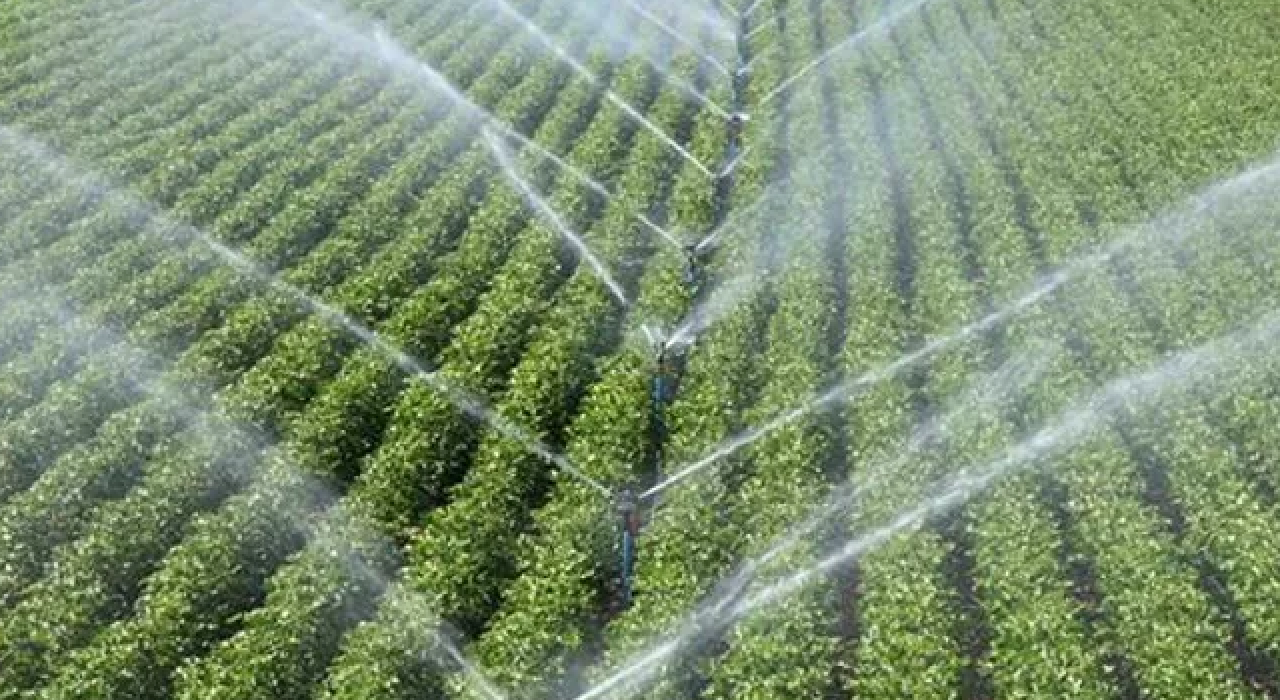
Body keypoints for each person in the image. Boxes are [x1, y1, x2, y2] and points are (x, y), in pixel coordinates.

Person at [617, 486, 643, 605]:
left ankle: (631, 596)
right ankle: (629, 598)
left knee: (630, 568)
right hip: (629, 536)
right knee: (627, 569)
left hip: (633, 536)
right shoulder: (626, 510)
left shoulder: (632, 509)